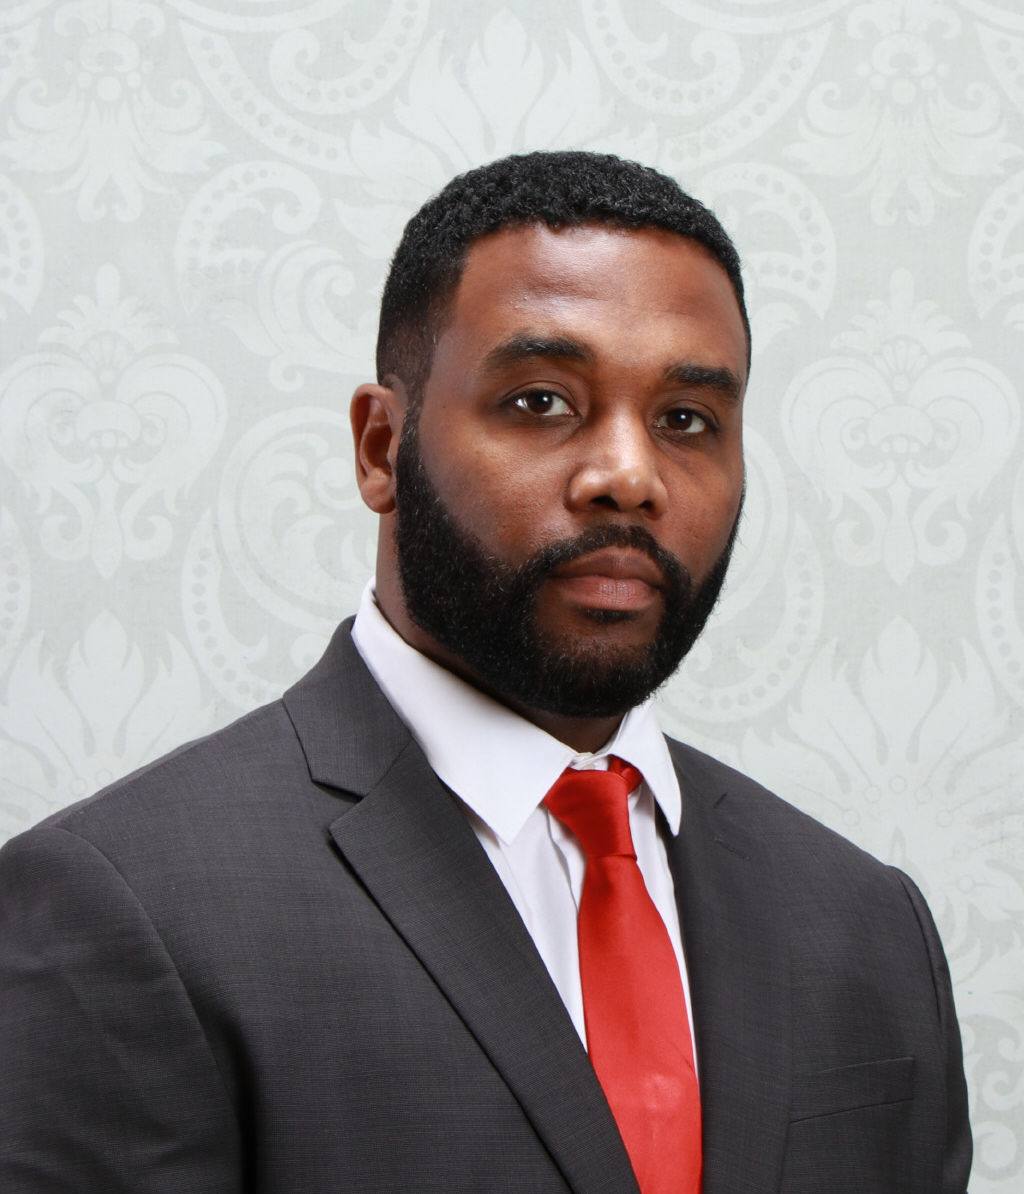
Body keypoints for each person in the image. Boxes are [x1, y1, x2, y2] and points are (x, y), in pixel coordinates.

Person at [0, 152, 970, 1193]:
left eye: (686, 419)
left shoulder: (865, 926)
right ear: (381, 447)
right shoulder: (123, 907)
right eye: (541, 401)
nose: (629, 477)